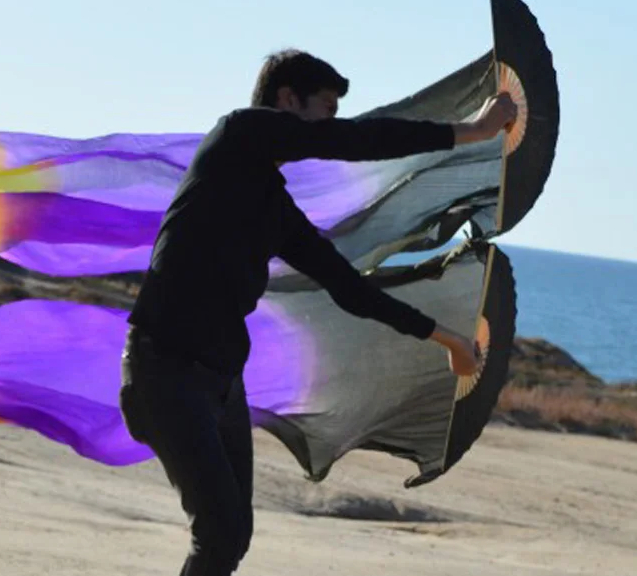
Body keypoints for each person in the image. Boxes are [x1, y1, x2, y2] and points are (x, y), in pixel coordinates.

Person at [118, 49, 518, 576]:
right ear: (288, 100)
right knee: (219, 532)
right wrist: (471, 132)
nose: (331, 124)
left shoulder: (275, 209)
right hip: (165, 373)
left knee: (232, 537)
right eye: (326, 109)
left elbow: (349, 288)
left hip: (221, 383)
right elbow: (355, 141)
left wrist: (447, 338)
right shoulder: (237, 134)